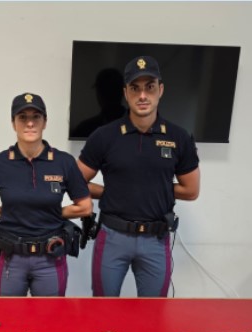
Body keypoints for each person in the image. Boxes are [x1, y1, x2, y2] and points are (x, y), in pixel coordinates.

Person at [77, 56, 200, 297]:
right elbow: (75, 181)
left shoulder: (178, 138)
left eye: (149, 87)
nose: (142, 95)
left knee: (153, 311)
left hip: (156, 239)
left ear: (160, 90)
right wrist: (110, 191)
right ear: (125, 93)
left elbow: (191, 190)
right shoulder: (104, 136)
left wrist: (151, 187)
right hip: (113, 237)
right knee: (103, 308)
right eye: (135, 88)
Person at [0, 93, 92, 297]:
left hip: (49, 259)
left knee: (50, 316)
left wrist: (52, 213)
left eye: (36, 117)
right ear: (13, 123)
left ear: (45, 122)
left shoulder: (64, 162)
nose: (30, 123)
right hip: (10, 259)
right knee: (6, 315)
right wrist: (4, 212)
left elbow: (85, 207)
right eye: (22, 117)